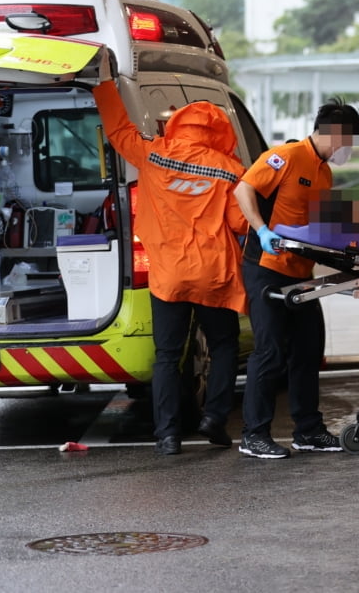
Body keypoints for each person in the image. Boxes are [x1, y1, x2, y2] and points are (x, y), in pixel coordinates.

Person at [93, 50, 248, 455]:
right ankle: (214, 418)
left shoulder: (155, 154)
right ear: (219, 131)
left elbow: (119, 131)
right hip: (215, 273)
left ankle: (167, 434)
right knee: (224, 346)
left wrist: (103, 82)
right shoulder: (230, 170)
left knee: (167, 356)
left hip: (169, 275)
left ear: (178, 124)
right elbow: (240, 223)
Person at [234, 99, 359, 459]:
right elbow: (243, 190)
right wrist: (261, 230)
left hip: (300, 273)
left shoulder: (324, 171)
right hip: (266, 268)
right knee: (271, 351)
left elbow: (317, 226)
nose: (348, 150)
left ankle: (308, 431)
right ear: (335, 135)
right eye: (349, 141)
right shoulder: (286, 157)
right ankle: (253, 435)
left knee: (308, 350)